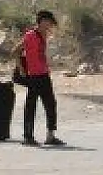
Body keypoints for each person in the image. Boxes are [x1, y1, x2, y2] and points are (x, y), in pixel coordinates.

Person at [19, 10, 64, 147]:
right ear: (42, 21)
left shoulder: (43, 35)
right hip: (34, 76)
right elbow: (16, 50)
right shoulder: (30, 35)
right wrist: (21, 69)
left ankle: (50, 135)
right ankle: (28, 136)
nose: (50, 25)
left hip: (44, 74)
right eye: (49, 22)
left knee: (50, 104)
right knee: (31, 105)